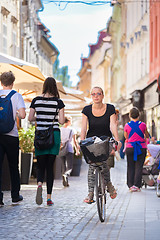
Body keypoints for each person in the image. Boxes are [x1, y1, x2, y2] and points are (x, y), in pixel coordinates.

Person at [80, 86, 121, 203]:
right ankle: (90, 193)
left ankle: (108, 184)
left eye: (98, 94)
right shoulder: (86, 110)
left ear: (103, 96)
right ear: (91, 96)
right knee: (92, 165)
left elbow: (113, 125)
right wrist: (82, 141)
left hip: (105, 140)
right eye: (93, 94)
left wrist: (117, 140)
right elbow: (83, 127)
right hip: (91, 141)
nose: (96, 96)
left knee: (103, 162)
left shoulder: (110, 108)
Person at [28, 77, 65, 206]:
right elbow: (61, 121)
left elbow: (30, 118)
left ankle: (39, 185)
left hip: (40, 135)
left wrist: (41, 118)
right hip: (53, 135)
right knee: (50, 167)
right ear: (55, 87)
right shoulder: (58, 102)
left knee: (40, 165)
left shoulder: (36, 100)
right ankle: (49, 198)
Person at [0, 71, 26, 206]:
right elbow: (22, 115)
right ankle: (15, 195)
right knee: (13, 166)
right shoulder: (16, 96)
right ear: (12, 82)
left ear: (1, 82)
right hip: (11, 135)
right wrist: (15, 111)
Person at [124, 107, 149, 192]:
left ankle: (130, 185)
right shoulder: (143, 125)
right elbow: (147, 135)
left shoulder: (127, 125)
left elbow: (126, 137)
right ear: (139, 115)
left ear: (130, 115)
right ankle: (137, 186)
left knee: (130, 166)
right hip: (141, 147)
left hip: (130, 147)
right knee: (139, 167)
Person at [59, 115, 80, 187]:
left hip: (61, 149)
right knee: (70, 166)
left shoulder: (60, 129)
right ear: (68, 121)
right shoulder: (72, 130)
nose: (71, 122)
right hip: (69, 149)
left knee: (63, 166)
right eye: (71, 120)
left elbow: (59, 140)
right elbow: (75, 141)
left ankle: (65, 181)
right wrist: (77, 150)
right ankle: (66, 174)